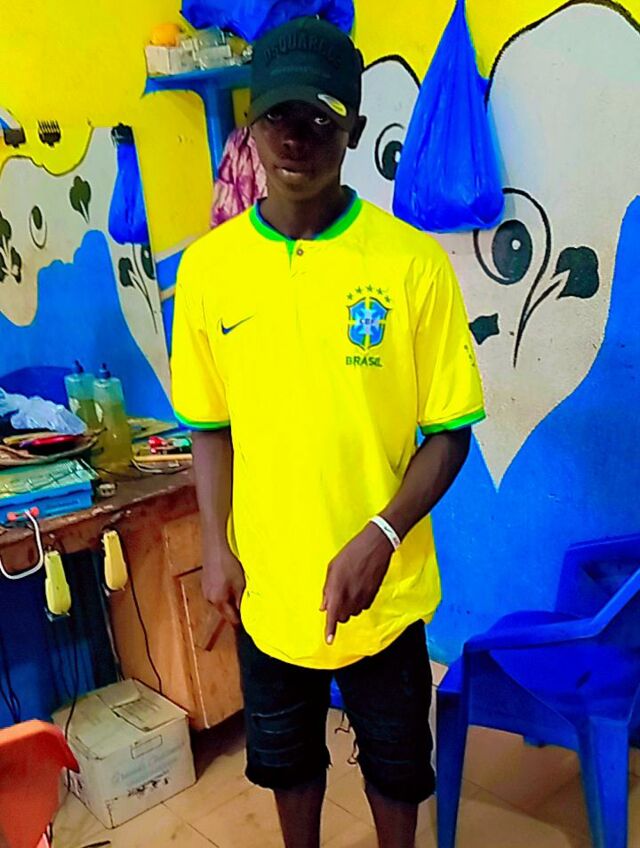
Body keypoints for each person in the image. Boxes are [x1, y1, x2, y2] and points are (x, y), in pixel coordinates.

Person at [171, 16, 485, 848]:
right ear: (250, 124)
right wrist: (216, 545)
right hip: (268, 589)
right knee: (286, 764)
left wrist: (383, 534)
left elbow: (451, 430)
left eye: (319, 118)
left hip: (385, 593)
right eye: (277, 115)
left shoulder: (412, 265)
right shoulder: (208, 271)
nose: (296, 139)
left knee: (397, 766)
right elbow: (209, 425)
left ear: (352, 128)